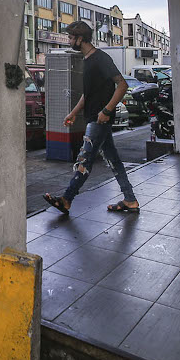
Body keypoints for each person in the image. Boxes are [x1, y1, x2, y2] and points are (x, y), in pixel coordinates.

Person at [44, 21, 138, 215]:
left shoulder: (100, 58)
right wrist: (73, 112)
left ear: (80, 39)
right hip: (95, 118)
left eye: (71, 37)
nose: (69, 41)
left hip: (98, 119)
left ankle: (66, 199)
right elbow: (88, 94)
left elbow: (122, 85)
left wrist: (107, 111)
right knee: (114, 160)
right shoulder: (87, 60)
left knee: (84, 160)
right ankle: (130, 199)